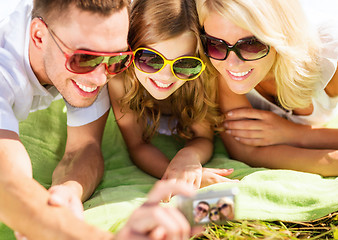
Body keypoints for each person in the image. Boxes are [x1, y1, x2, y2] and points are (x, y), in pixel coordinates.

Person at [1, 0, 199, 239]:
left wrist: (66, 192)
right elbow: (8, 184)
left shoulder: (88, 42)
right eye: (84, 58)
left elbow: (84, 147)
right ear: (39, 37)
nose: (100, 79)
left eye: (115, 59)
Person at [109, 0, 236, 202]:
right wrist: (178, 176)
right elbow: (137, 144)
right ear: (131, 49)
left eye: (185, 63)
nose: (166, 76)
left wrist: (189, 157)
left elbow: (203, 137)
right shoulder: (119, 79)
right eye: (151, 60)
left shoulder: (202, 76)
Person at [196, 0, 338, 176]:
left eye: (250, 45)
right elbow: (247, 152)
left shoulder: (330, 58)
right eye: (215, 44)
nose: (232, 63)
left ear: (281, 38)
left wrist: (295, 134)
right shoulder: (219, 70)